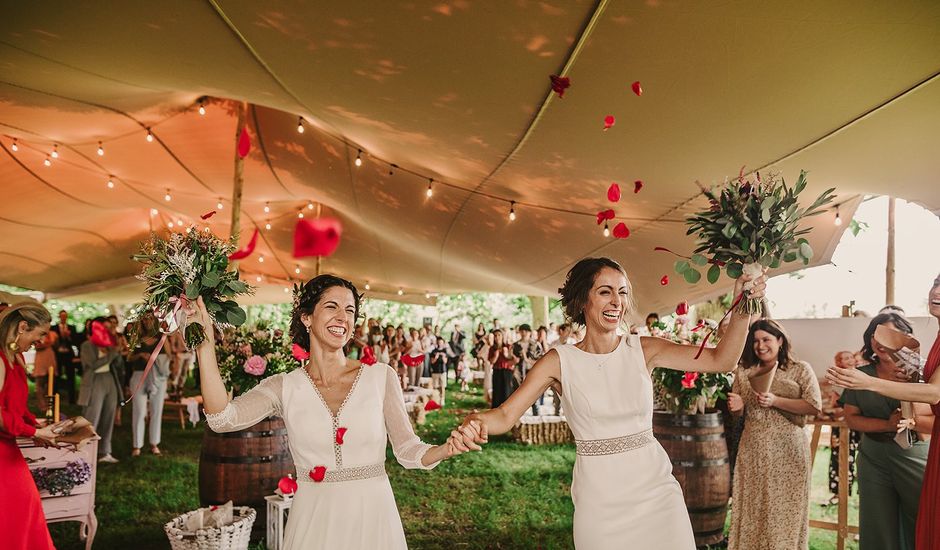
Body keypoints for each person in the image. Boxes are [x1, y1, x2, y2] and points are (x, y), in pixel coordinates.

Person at [460, 257, 766, 548]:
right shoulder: (559, 362)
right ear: (583, 300)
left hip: (657, 495)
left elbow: (721, 360)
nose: (617, 302)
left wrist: (742, 307)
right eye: (605, 292)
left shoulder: (643, 349)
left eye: (622, 292)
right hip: (599, 504)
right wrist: (475, 421)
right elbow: (504, 415)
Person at [193, 274, 478, 549]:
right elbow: (222, 418)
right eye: (332, 306)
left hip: (373, 518)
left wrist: (445, 449)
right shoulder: (284, 386)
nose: (343, 317)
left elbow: (406, 449)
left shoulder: (381, 376)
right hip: (313, 522)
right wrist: (204, 344)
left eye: (350, 310)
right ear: (307, 317)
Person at [828, 301, 940, 550]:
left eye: (888, 334)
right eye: (874, 336)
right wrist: (885, 424)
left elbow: (932, 416)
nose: (880, 342)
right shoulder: (861, 374)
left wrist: (911, 417)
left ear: (905, 338)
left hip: (914, 452)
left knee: (920, 518)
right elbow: (851, 418)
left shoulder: (925, 373)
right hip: (874, 455)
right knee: (878, 523)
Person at [726, 319, 822, 549]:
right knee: (752, 508)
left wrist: (777, 401)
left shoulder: (800, 369)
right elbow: (737, 417)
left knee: (785, 510)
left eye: (766, 339)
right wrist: (737, 408)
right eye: (756, 341)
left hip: (788, 452)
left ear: (780, 340)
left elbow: (814, 406)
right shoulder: (743, 371)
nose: (760, 345)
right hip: (753, 449)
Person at [0, 302, 58, 550]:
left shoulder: (17, 357)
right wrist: (33, 431)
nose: (43, 340)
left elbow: (14, 404)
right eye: (41, 334)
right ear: (23, 326)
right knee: (14, 516)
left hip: (8, 448)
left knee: (26, 509)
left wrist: (35, 423)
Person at [79, 317, 123, 463]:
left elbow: (118, 365)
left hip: (109, 380)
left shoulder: (110, 345)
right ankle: (85, 451)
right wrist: (112, 354)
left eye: (110, 327)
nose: (109, 330)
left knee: (108, 416)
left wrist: (118, 350)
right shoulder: (87, 345)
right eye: (106, 327)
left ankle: (104, 451)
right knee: (92, 417)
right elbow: (92, 365)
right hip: (94, 381)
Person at [128, 314, 170, 456]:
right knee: (139, 411)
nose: (147, 321)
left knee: (156, 410)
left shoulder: (162, 338)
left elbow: (169, 357)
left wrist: (156, 360)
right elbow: (128, 357)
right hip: (139, 375)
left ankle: (154, 443)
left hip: (158, 378)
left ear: (155, 320)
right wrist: (140, 356)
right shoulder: (137, 338)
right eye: (145, 319)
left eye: (150, 318)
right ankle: (136, 445)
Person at [51, 309, 78, 404]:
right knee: (56, 376)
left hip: (68, 354)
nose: (63, 318)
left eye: (65, 316)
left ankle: (72, 399)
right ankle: (55, 398)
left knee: (71, 376)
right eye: (62, 316)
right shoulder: (53, 328)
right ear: (59, 317)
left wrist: (69, 336)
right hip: (58, 354)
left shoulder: (72, 328)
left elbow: (75, 342)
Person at [31, 329, 57, 414]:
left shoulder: (53, 333)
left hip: (49, 357)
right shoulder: (37, 334)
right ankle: (42, 405)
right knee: (39, 384)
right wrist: (48, 344)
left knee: (49, 383)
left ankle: (48, 404)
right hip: (41, 358)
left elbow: (57, 345)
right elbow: (37, 346)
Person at [488, 330, 516, 408]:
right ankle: (496, 410)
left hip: (507, 371)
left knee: (507, 390)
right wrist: (496, 356)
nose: (497, 337)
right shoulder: (492, 348)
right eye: (495, 336)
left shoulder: (508, 346)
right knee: (497, 391)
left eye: (499, 335)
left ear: (502, 336)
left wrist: (506, 355)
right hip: (497, 371)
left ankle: (507, 409)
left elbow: (514, 359)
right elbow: (491, 361)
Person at [429, 336, 449, 405]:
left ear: (443, 343)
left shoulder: (445, 351)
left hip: (443, 371)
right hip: (435, 371)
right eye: (439, 342)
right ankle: (436, 399)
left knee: (442, 386)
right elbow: (432, 362)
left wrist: (443, 357)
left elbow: (445, 362)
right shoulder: (433, 351)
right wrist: (436, 357)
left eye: (441, 342)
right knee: (435, 386)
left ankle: (442, 399)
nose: (440, 343)